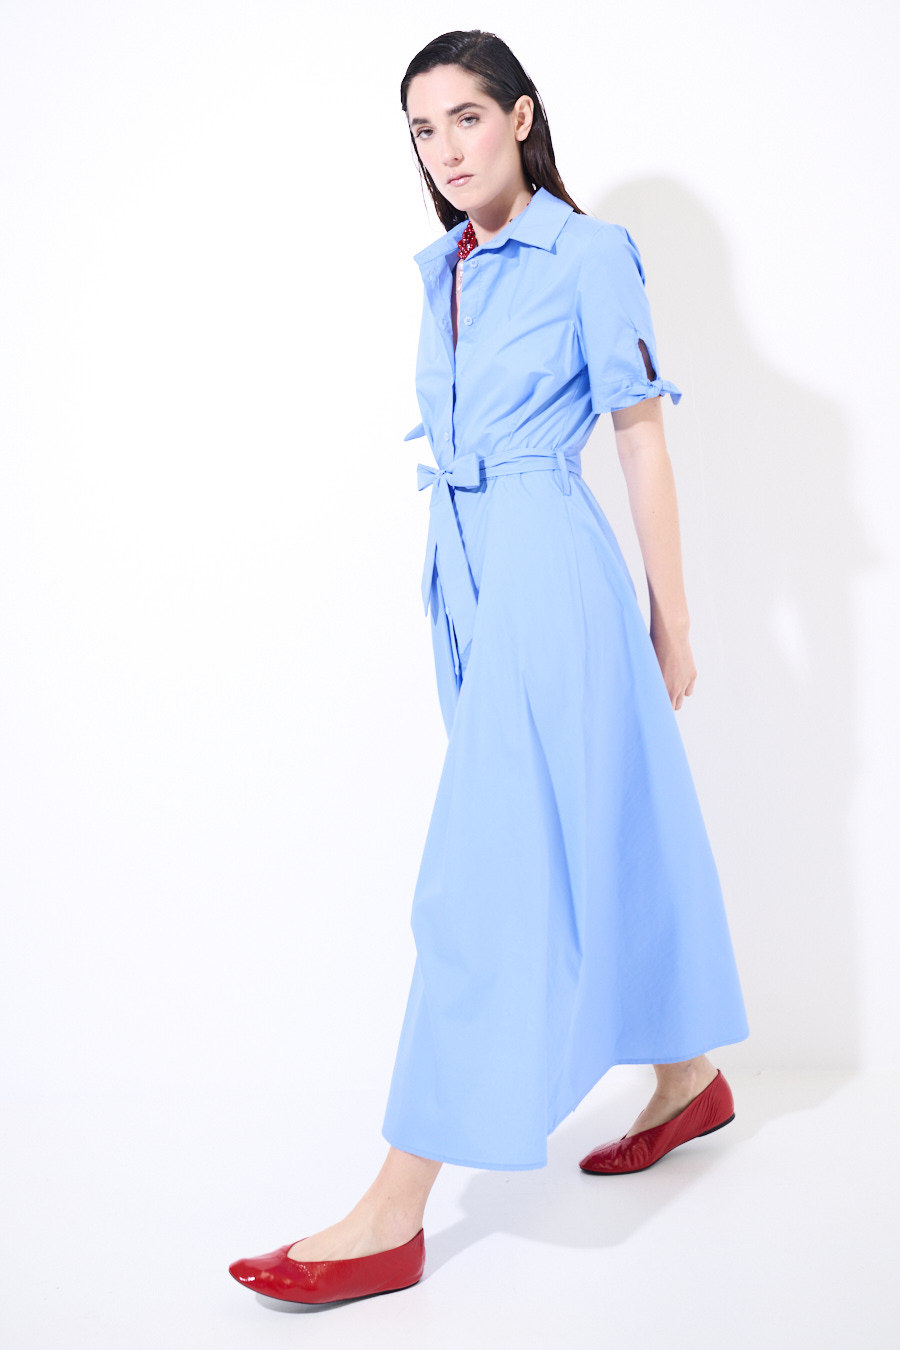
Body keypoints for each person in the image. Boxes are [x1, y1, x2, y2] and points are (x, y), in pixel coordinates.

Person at [228, 29, 749, 1307]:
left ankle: (392, 1211)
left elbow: (639, 434)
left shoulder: (588, 253)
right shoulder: (447, 267)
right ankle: (688, 1075)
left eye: (466, 118)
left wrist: (673, 619)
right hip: (461, 576)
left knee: (481, 878)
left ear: (521, 116)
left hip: (546, 571)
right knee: (601, 820)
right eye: (422, 130)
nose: (445, 150)